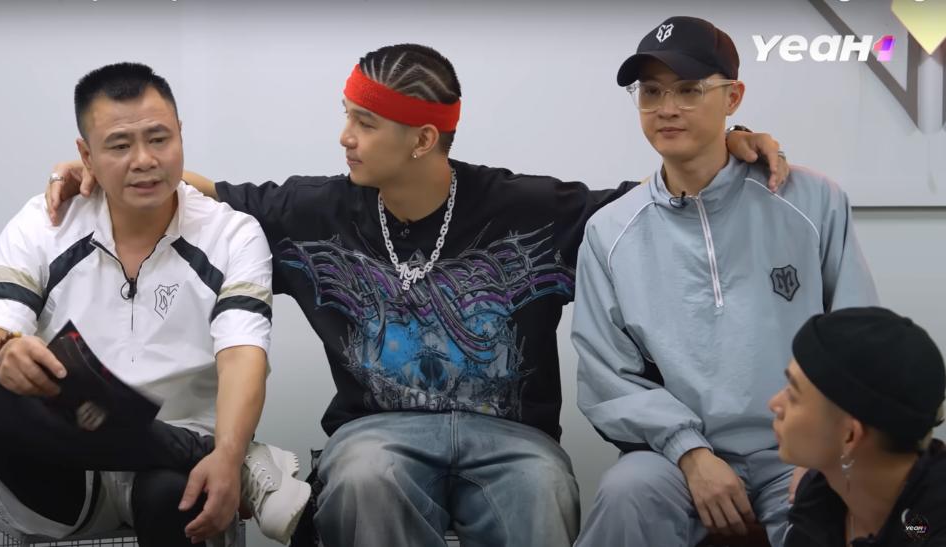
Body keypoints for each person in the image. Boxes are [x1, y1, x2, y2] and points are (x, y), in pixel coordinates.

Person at [46, 44, 787, 547]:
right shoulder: (313, 210)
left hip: (515, 441)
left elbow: (659, 200)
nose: (345, 137)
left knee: (539, 491)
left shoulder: (532, 208)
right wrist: (98, 174)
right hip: (375, 434)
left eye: (364, 123)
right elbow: (199, 193)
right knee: (365, 478)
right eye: (347, 115)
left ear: (424, 140)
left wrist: (730, 143)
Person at [0, 62, 309, 547]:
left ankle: (201, 453)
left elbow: (242, 357)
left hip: (173, 477)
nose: (144, 160)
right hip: (70, 467)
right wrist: (6, 352)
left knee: (173, 495)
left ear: (181, 134)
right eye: (120, 146)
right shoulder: (44, 223)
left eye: (159, 139)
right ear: (86, 155)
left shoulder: (233, 234)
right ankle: (200, 451)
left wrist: (226, 456)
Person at [571, 16, 879, 547]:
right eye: (651, 92)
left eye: (689, 90)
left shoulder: (811, 201)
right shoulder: (609, 231)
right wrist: (690, 453)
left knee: (838, 503)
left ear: (733, 97)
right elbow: (608, 375)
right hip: (675, 456)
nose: (667, 108)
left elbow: (859, 335)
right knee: (626, 493)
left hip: (800, 449)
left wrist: (831, 452)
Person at [772, 307, 946, 546]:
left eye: (793, 395)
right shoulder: (819, 499)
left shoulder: (924, 527)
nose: (774, 404)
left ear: (850, 435)